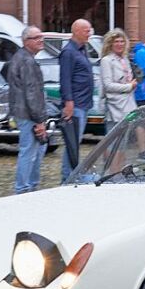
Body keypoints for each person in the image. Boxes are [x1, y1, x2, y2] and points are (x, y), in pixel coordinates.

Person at [8, 26, 50, 193]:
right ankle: (23, 188)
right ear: (26, 41)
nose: (41, 40)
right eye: (36, 37)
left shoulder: (22, 57)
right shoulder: (27, 61)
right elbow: (31, 93)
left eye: (41, 36)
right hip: (28, 114)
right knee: (28, 152)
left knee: (37, 150)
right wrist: (39, 120)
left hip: (24, 112)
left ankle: (30, 185)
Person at [58, 18, 95, 181]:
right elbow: (65, 78)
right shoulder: (68, 52)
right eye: (87, 31)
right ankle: (67, 178)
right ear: (77, 31)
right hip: (75, 105)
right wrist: (68, 102)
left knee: (76, 143)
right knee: (72, 144)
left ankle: (72, 175)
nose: (89, 33)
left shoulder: (82, 49)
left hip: (84, 103)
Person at [99, 28, 137, 134]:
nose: (120, 44)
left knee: (123, 142)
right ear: (110, 44)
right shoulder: (106, 60)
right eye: (116, 42)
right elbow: (108, 85)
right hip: (114, 107)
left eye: (122, 41)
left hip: (128, 105)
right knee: (112, 142)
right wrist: (129, 86)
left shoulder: (125, 59)